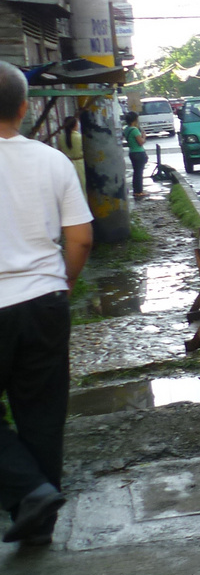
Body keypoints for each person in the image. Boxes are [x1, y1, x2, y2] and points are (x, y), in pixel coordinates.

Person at [0, 62, 93, 546]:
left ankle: (29, 494)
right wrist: (65, 282)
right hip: (44, 299)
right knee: (41, 411)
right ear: (24, 107)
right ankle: (39, 515)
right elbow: (80, 239)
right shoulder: (51, 160)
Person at [122, 110, 147, 197]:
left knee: (136, 172)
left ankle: (136, 190)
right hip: (139, 153)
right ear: (135, 120)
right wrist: (143, 136)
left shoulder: (126, 129)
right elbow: (140, 142)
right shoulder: (135, 130)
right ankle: (139, 191)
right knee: (139, 173)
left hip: (132, 152)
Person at [58, 114, 85, 189]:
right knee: (82, 187)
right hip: (80, 164)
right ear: (75, 125)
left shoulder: (61, 137)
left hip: (67, 164)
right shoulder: (80, 137)